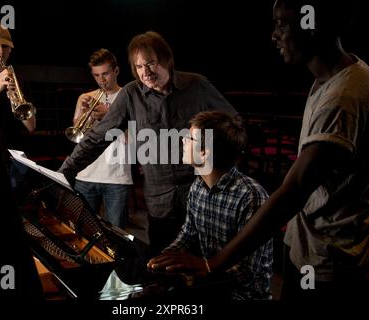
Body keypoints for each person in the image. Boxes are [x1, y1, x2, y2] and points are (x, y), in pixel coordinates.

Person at [153, 0, 369, 301]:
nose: (273, 35)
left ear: (311, 26)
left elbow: (294, 191)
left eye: (282, 24)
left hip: (337, 260)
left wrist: (213, 264)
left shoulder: (344, 98)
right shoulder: (334, 79)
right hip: (316, 248)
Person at [60, 31, 237, 256]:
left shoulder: (197, 84)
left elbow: (233, 123)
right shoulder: (131, 93)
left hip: (200, 195)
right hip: (158, 200)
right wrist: (65, 171)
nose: (146, 72)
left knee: (203, 264)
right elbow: (97, 137)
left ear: (166, 59)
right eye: (139, 66)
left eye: (151, 63)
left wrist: (213, 158)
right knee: (162, 264)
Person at [147, 111, 273, 300]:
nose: (183, 141)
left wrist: (203, 267)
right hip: (210, 284)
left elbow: (249, 271)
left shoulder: (250, 196)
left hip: (241, 295)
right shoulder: (198, 185)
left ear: (205, 152)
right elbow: (189, 233)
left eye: (189, 138)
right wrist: (164, 258)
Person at [71, 48, 132, 229]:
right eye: (97, 75)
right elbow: (76, 136)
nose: (101, 80)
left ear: (116, 71)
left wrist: (108, 116)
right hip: (85, 175)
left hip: (117, 178)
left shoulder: (129, 97)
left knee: (117, 237)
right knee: (83, 233)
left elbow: (134, 139)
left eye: (105, 74)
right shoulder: (86, 97)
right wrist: (83, 113)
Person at [0, 23, 36, 193]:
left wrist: (18, 99)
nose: (0, 51)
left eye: (4, 46)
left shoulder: (20, 80)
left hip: (15, 159)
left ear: (10, 49)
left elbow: (31, 127)